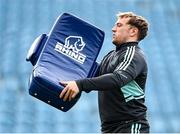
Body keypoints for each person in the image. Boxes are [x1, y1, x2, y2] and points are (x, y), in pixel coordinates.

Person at [59, 11, 150, 133]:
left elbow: (118, 78)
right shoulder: (111, 55)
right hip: (109, 128)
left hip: (130, 126)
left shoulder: (133, 55)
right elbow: (91, 77)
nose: (113, 29)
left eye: (119, 25)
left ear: (133, 31)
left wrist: (79, 84)